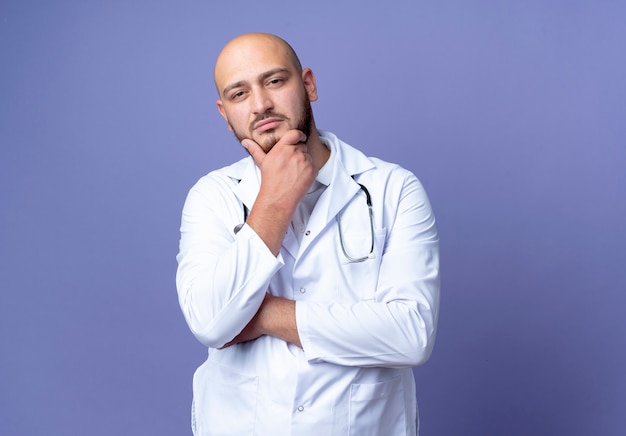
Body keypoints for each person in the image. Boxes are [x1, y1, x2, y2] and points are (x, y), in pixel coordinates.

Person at [176, 32, 440, 435]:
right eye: (239, 93)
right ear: (223, 112)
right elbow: (211, 323)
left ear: (309, 85)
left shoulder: (393, 188)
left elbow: (411, 334)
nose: (261, 104)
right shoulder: (211, 197)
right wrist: (274, 202)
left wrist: (261, 314)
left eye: (275, 81)